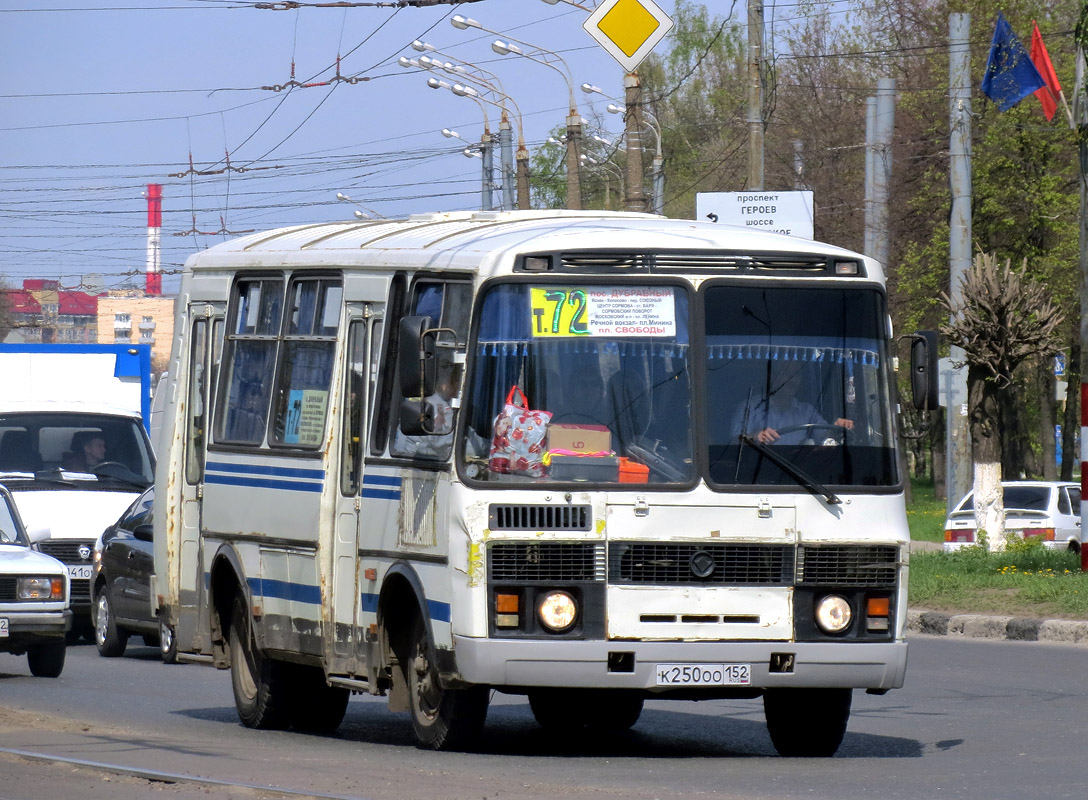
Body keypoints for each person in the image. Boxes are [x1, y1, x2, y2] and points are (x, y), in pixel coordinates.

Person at [735, 362, 853, 445]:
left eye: (796, 375)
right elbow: (735, 442)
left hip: (802, 474)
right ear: (772, 377)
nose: (792, 380)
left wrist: (837, 428)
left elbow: (825, 438)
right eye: (786, 374)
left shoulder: (807, 411)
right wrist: (755, 437)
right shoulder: (750, 407)